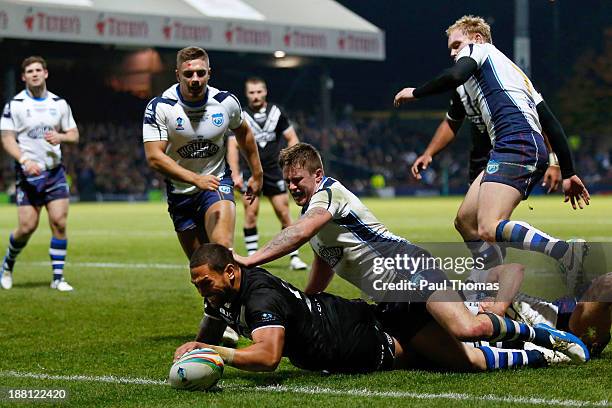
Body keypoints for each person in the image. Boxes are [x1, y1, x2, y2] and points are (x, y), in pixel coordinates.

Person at [232, 143, 589, 368]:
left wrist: (251, 259)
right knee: (466, 363)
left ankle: (542, 334)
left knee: (468, 329)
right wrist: (308, 303)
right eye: (289, 181)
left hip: (408, 268)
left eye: (298, 179)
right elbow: (326, 259)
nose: (293, 187)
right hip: (390, 299)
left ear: (318, 175)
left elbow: (301, 233)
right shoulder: (313, 213)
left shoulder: (328, 194)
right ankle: (543, 354)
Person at [394, 15, 591, 293]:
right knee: (465, 220)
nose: (453, 53)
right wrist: (569, 172)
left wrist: (415, 92)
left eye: (457, 45)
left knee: (488, 226)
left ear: (476, 38)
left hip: (517, 143)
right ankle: (490, 275)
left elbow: (454, 75)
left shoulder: (480, 51)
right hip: (510, 146)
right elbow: (551, 124)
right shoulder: (514, 74)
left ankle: (565, 253)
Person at [175, 244, 586, 373]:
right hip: (368, 314)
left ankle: (544, 344)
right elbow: (212, 324)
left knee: (470, 346)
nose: (201, 291)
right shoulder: (223, 294)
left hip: (371, 338)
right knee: (468, 348)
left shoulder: (259, 297)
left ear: (230, 272)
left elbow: (267, 357)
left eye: (205, 281)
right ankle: (542, 349)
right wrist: (197, 343)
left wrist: (215, 353)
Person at [143, 46, 263, 345]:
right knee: (202, 269)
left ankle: (237, 321)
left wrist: (257, 173)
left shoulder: (226, 103)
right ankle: (218, 313)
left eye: (200, 73)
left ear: (209, 73)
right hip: (181, 194)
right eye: (188, 74)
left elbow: (244, 134)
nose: (195, 79)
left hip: (217, 184)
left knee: (220, 250)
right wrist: (194, 178)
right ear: (178, 75)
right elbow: (155, 157)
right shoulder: (161, 106)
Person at [0, 56, 79, 291]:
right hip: (28, 175)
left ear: (45, 73)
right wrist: (24, 160)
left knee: (59, 223)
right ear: (24, 77)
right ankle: (7, 266)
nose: (34, 74)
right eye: (29, 71)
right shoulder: (14, 105)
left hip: (54, 172)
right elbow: (6, 139)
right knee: (26, 227)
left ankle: (58, 278)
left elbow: (74, 134)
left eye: (38, 70)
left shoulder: (59, 104)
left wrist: (62, 137)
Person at [226, 77, 307, 271]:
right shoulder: (241, 115)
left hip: (274, 172)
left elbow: (292, 139)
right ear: (247, 94)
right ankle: (253, 259)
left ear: (265, 92)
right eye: (251, 93)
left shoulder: (276, 113)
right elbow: (232, 146)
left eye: (258, 92)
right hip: (250, 173)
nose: (255, 96)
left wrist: (292, 166)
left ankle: (294, 257)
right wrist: (235, 174)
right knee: (251, 214)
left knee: (284, 213)